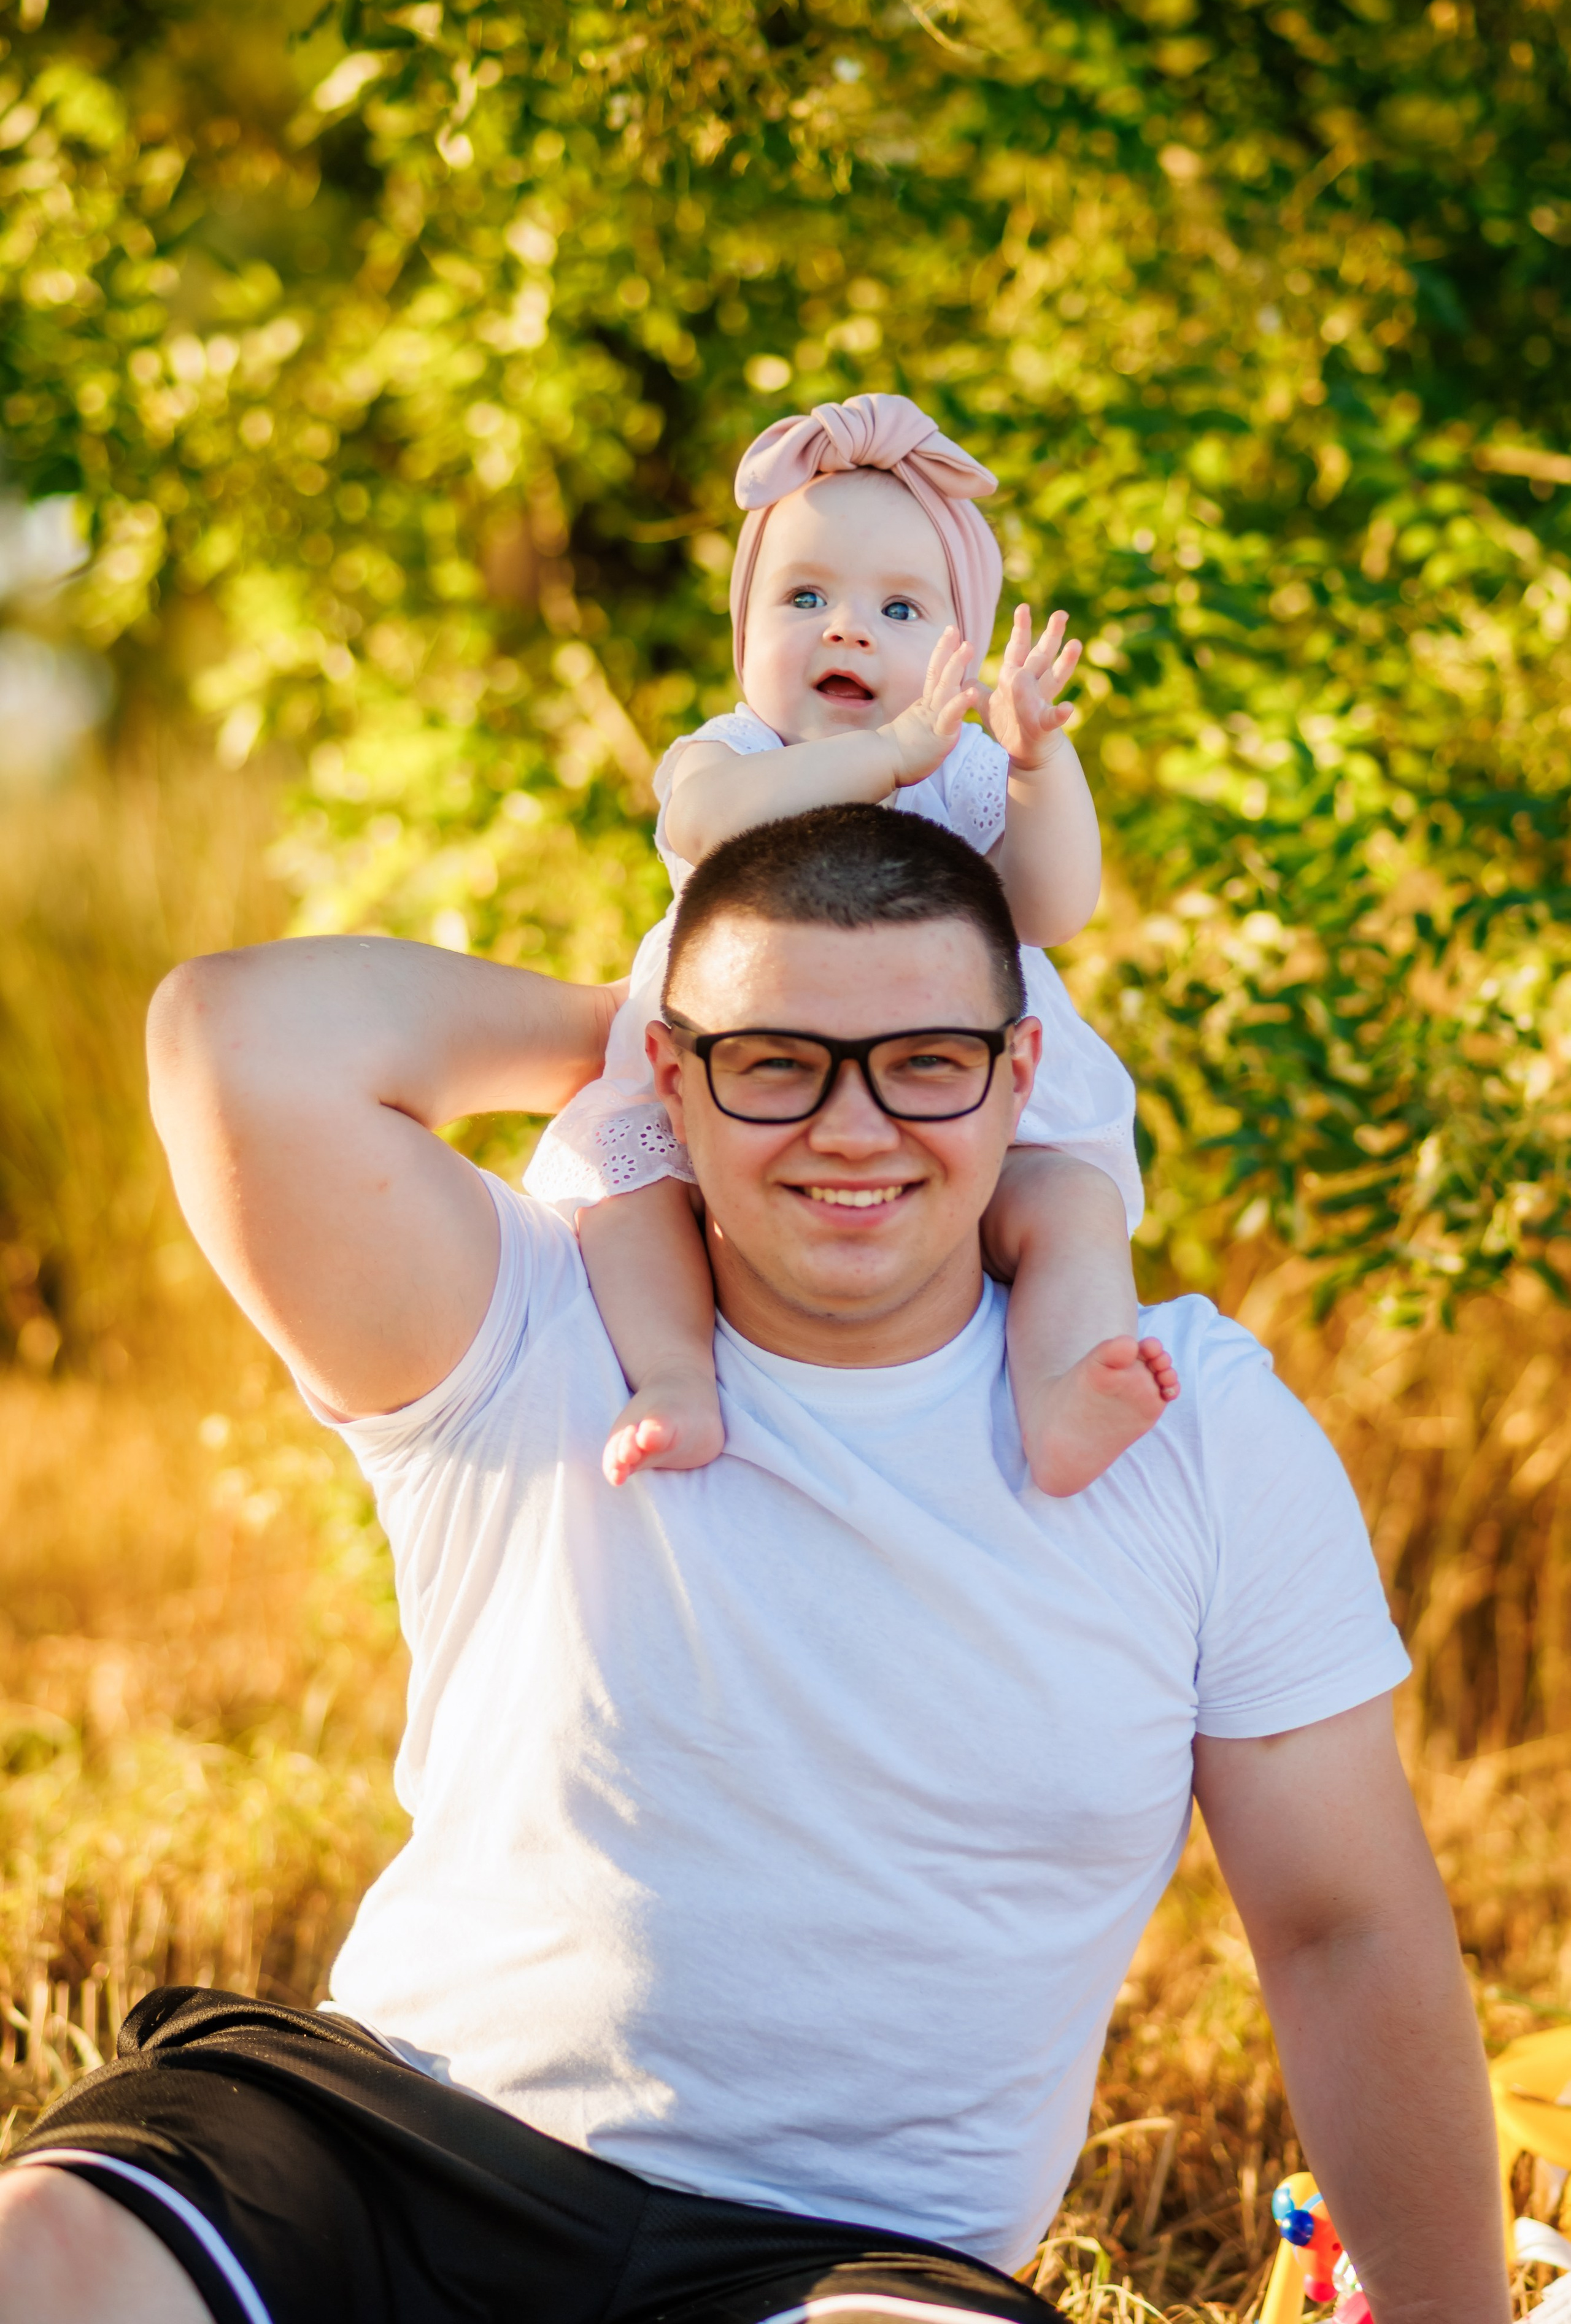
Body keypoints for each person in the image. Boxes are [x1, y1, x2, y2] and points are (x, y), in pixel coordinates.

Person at [0, 804, 1507, 2324]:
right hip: (389, 2150)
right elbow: (232, 1037)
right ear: (673, 1073)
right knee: (42, 2253)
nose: (852, 1130)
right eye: (777, 1062)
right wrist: (641, 1017)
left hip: (838, 2267)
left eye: (924, 1060)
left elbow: (1341, 1931)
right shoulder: (532, 1324)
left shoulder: (1184, 1427)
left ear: (1018, 1073)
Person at [523, 393, 1177, 1498]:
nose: (848, 629)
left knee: (1072, 1206)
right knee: (628, 1204)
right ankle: (678, 1382)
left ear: (960, 654)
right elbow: (707, 827)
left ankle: (1064, 1394)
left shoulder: (962, 766)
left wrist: (1031, 766)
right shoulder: (730, 748)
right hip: (723, 1080)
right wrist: (890, 756)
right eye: (807, 596)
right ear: (747, 639)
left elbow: (1053, 908)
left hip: (950, 1088)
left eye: (901, 610)